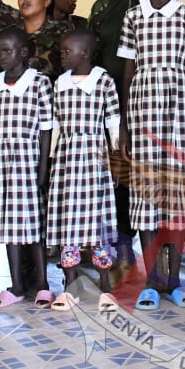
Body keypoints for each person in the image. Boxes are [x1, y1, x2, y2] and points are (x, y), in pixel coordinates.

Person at [117, 0, 185, 310]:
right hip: (142, 113)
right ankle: (152, 281)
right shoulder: (133, 15)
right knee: (146, 198)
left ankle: (175, 280)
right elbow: (127, 70)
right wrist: (123, 122)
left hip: (178, 110)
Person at [45, 28, 121, 307]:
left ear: (85, 53)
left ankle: (106, 288)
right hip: (67, 161)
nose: (62, 56)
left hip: (94, 159)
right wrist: (52, 158)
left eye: (67, 51)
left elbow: (113, 123)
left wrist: (115, 162)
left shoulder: (103, 81)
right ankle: (70, 287)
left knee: (96, 224)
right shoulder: (60, 83)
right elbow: (55, 124)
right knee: (68, 225)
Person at [89, 0, 150, 276]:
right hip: (111, 106)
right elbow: (91, 55)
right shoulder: (102, 7)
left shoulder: (155, 2)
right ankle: (123, 247)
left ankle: (156, 252)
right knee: (118, 177)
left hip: (149, 103)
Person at [0, 27, 54, 310]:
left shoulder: (39, 83)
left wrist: (42, 167)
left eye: (7, 50)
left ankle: (43, 285)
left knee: (33, 228)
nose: (1, 56)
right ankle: (16, 285)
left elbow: (47, 129)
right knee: (8, 227)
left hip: (28, 159)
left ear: (24, 53)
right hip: (1, 163)